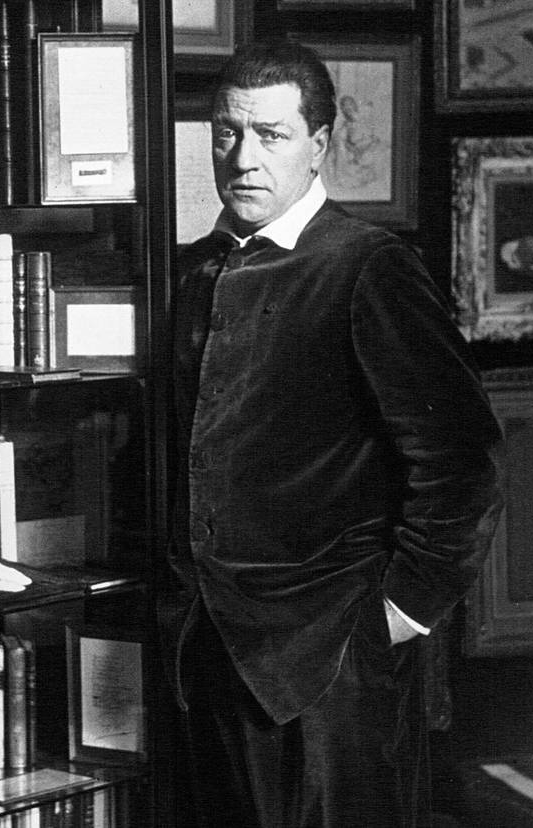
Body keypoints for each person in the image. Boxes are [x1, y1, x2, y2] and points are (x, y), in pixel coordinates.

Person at [158, 40, 503, 828]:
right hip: (205, 658)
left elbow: (465, 464)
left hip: (330, 672)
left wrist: (396, 616)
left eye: (271, 135)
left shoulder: (368, 265)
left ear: (318, 145)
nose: (243, 158)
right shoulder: (190, 271)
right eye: (226, 133)